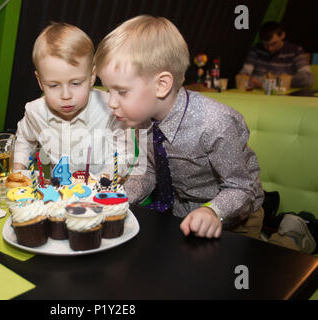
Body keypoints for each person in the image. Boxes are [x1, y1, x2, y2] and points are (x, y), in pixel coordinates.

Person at [94, 15, 316, 254]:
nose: (111, 103)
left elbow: (242, 188)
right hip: (180, 213)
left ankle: (293, 234)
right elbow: (150, 172)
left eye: (121, 92)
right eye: (109, 90)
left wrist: (213, 211)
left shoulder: (216, 123)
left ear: (161, 85)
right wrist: (119, 196)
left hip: (234, 218)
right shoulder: (141, 119)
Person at [14, 22, 130, 177]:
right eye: (54, 85)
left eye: (75, 83)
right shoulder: (35, 112)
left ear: (91, 76)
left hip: (102, 192)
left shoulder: (111, 107)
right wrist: (19, 167)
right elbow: (24, 139)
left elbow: (123, 151)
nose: (66, 95)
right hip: (60, 195)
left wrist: (108, 177)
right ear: (40, 81)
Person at [239, 21, 314, 89]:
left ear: (283, 35)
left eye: (274, 43)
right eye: (266, 45)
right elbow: (244, 74)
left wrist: (267, 84)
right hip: (259, 95)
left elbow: (307, 79)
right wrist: (248, 80)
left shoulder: (295, 51)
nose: (270, 48)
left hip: (284, 96)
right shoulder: (256, 50)